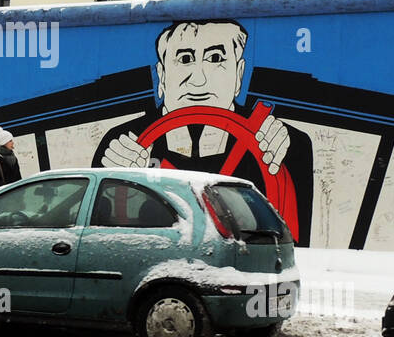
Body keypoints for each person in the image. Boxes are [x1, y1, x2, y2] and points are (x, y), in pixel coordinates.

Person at [92, 19, 313, 244]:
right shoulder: (121, 144)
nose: (199, 80)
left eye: (215, 58)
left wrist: (283, 165)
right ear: (162, 75)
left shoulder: (282, 142)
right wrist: (117, 176)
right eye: (185, 59)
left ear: (239, 72)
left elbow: (296, 244)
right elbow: (101, 233)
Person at [0, 125, 22, 189]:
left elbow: (19, 179)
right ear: (3, 142)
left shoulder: (13, 158)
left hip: (17, 195)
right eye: (10, 141)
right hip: (3, 196)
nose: (13, 143)